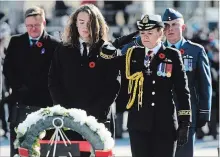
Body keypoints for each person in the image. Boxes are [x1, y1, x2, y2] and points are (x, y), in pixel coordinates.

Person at [48, 4, 138, 157]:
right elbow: (54, 81)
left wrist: (96, 112)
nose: (85, 26)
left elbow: (113, 84)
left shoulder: (107, 49)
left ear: (97, 24)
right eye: (81, 22)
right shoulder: (63, 50)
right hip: (70, 119)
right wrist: (66, 110)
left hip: (99, 119)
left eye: (89, 22)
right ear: (75, 23)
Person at [116, 14, 192, 157]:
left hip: (165, 125)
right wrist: (121, 41)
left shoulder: (172, 55)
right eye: (142, 33)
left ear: (160, 32)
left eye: (149, 33)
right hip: (138, 125)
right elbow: (108, 58)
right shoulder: (133, 54)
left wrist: (185, 123)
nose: (145, 36)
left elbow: (182, 91)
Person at [3, 6, 60, 157]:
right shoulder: (16, 42)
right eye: (29, 26)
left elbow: (57, 74)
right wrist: (19, 87)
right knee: (19, 147)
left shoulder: (55, 45)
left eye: (36, 25)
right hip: (21, 102)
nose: (32, 29)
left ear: (44, 23)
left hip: (45, 103)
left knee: (44, 148)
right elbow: (8, 69)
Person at [162, 8, 212, 157]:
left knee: (183, 153)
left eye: (174, 24)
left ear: (183, 27)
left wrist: (204, 111)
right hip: (161, 114)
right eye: (166, 25)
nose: (170, 29)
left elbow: (204, 85)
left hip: (187, 114)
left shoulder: (195, 51)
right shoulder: (158, 51)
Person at [0, 11, 11, 139]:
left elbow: (4, 42)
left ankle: (5, 127)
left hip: (3, 65)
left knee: (3, 98)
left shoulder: (4, 26)